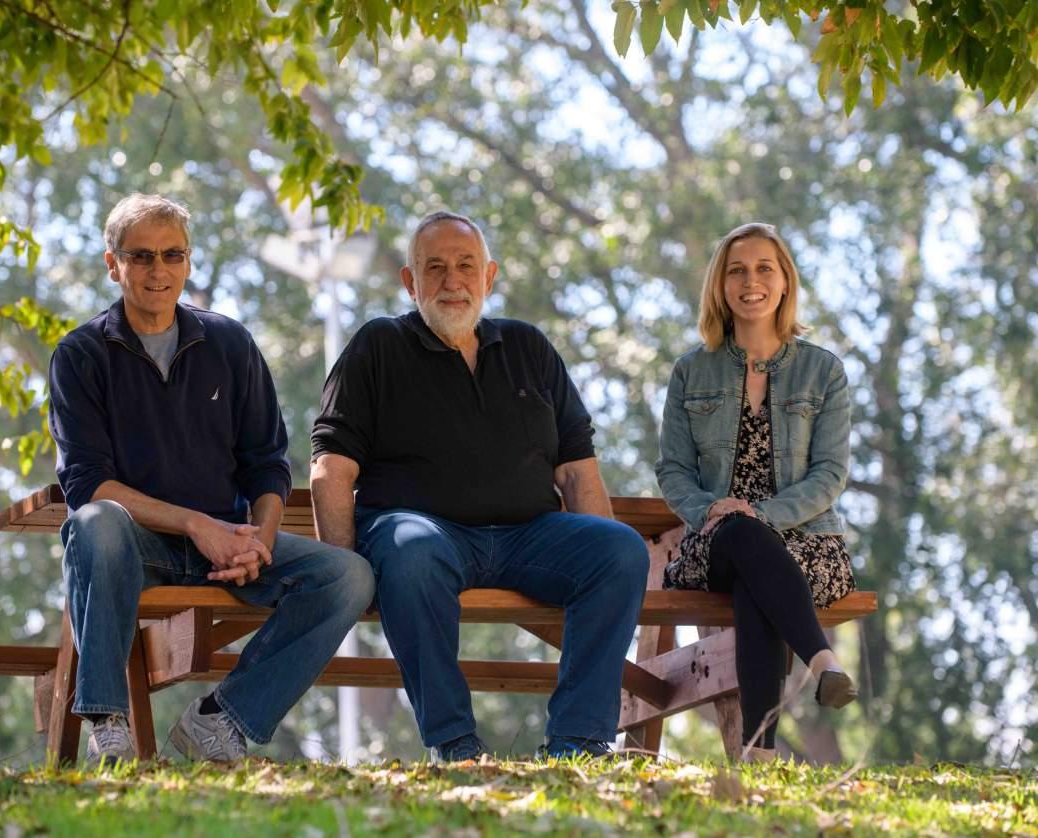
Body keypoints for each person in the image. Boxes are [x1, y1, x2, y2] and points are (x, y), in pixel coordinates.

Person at [309, 210, 650, 762]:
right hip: (422, 534)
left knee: (620, 550)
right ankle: (456, 744)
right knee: (413, 549)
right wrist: (344, 575)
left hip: (528, 536)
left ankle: (579, 743)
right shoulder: (378, 345)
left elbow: (577, 472)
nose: (452, 280)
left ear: (489, 277)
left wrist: (598, 551)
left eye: (466, 265)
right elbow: (331, 468)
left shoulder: (529, 348)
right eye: (435, 267)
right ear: (409, 280)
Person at [48, 193, 374, 766]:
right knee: (95, 524)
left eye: (172, 255)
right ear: (112, 264)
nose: (158, 271)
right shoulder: (80, 356)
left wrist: (260, 541)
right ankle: (109, 721)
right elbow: (88, 485)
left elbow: (268, 461)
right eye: (141, 256)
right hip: (136, 547)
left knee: (346, 575)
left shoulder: (229, 343)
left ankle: (220, 720)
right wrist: (199, 526)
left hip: (224, 549)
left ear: (189, 262)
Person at [656, 222, 859, 761]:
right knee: (744, 541)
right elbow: (673, 470)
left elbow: (830, 473)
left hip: (808, 542)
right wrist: (712, 510)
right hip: (716, 540)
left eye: (764, 268)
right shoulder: (690, 372)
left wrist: (763, 514)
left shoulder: (824, 372)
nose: (751, 281)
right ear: (720, 286)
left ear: (785, 281)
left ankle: (758, 754)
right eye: (737, 270)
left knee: (756, 571)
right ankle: (822, 662)